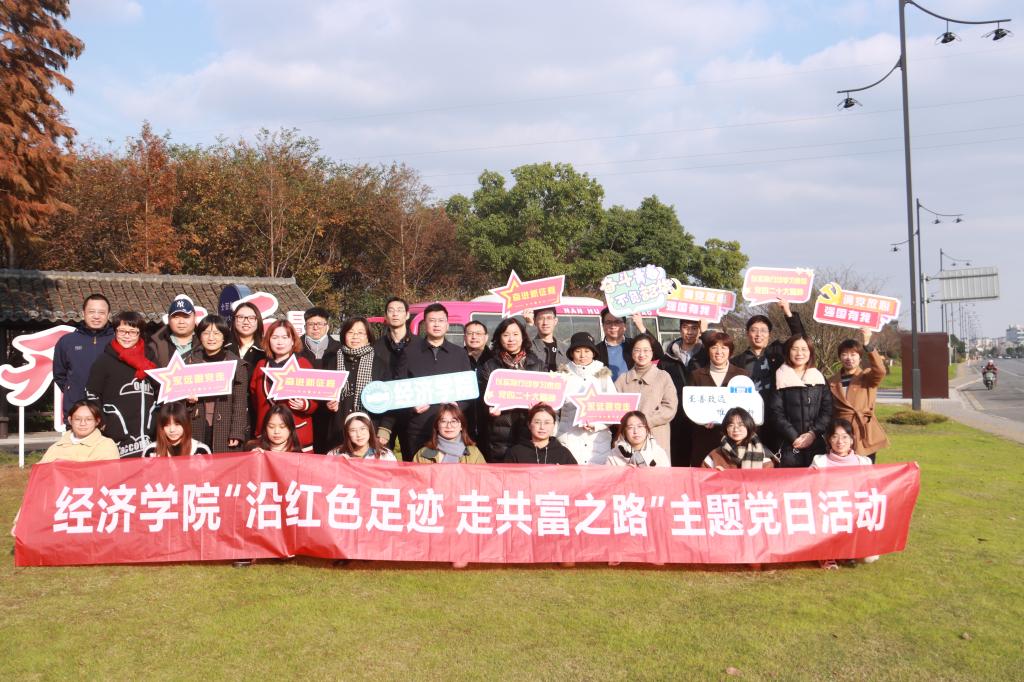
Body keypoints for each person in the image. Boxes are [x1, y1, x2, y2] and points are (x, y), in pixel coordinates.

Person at [380, 303, 474, 460]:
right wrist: (412, 407)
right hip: (418, 428)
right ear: (425, 324)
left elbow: (469, 392)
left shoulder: (459, 354)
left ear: (447, 324)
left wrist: (458, 406)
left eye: (441, 320)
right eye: (432, 320)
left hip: (450, 430)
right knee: (416, 471)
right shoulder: (409, 352)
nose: (436, 324)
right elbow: (399, 388)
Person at [731, 299, 805, 450]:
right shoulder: (736, 362)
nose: (759, 334)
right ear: (747, 333)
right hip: (748, 419)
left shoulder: (778, 353)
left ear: (769, 334)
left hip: (776, 417)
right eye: (754, 330)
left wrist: (787, 312)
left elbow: (800, 338)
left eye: (763, 331)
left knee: (775, 456)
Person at [85, 311, 158, 458]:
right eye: (122, 331)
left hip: (148, 435)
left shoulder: (150, 359)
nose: (127, 336)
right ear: (115, 331)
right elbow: (92, 394)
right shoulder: (104, 360)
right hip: (117, 436)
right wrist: (104, 422)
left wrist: (157, 417)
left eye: (132, 331)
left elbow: (160, 390)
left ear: (139, 333)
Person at [811, 419, 878, 568]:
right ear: (829, 440)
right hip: (828, 513)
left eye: (844, 437)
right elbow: (808, 488)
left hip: (854, 514)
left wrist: (909, 470)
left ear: (852, 440)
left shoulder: (864, 462)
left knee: (869, 558)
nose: (840, 441)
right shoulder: (820, 461)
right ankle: (826, 554)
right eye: (835, 436)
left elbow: (876, 487)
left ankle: (845, 551)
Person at [478, 317, 546, 462]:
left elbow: (547, 400)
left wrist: (539, 408)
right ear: (499, 338)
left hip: (530, 431)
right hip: (499, 435)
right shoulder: (490, 366)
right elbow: (482, 400)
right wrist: (489, 409)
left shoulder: (538, 365)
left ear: (523, 337)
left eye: (515, 334)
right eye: (506, 334)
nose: (511, 339)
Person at [250, 320, 318, 452]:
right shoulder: (261, 365)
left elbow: (317, 398)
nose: (279, 342)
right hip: (267, 434)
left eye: (285, 337)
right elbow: (254, 399)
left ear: (293, 341)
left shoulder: (303, 364)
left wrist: (305, 405)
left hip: (298, 433)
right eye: (275, 337)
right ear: (268, 340)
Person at [767, 334, 833, 468]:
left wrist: (813, 434)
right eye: (795, 349)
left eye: (804, 349)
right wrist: (794, 436)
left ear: (810, 352)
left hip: (816, 444)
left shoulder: (819, 378)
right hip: (787, 445)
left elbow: (827, 410)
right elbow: (775, 412)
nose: (799, 353)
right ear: (788, 351)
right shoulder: (779, 377)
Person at [185, 314, 248, 452]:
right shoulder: (189, 362)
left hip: (225, 427)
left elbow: (240, 403)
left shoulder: (237, 365)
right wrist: (188, 402)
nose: (211, 338)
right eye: (206, 333)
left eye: (216, 333)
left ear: (224, 337)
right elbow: (179, 400)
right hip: (196, 424)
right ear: (200, 336)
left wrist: (237, 432)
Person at [686, 332, 751, 467]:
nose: (719, 352)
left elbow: (749, 407)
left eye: (724, 347)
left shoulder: (742, 375)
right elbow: (688, 405)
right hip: (704, 438)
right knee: (703, 475)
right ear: (708, 350)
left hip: (735, 440)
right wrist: (700, 419)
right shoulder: (696, 376)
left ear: (730, 351)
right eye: (714, 347)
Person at [828, 328, 890, 463]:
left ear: (860, 357)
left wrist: (867, 344)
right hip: (842, 433)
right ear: (840, 357)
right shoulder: (832, 381)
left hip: (864, 431)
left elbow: (880, 371)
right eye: (844, 354)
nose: (849, 358)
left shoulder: (867, 376)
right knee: (843, 468)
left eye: (853, 354)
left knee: (866, 469)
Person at [325, 316, 388, 449]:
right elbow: (324, 393)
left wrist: (384, 429)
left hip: (369, 428)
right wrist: (328, 403)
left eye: (360, 333)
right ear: (344, 335)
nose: (355, 337)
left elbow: (388, 400)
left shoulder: (379, 364)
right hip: (338, 428)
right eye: (351, 332)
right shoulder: (333, 361)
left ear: (368, 336)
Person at [557, 332, 616, 464]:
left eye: (587, 351)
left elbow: (613, 410)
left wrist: (597, 425)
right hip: (569, 439)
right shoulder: (562, 375)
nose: (582, 355)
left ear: (593, 353)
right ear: (571, 353)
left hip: (598, 442)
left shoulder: (603, 375)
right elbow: (553, 410)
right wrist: (557, 432)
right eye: (578, 351)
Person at [613, 333, 677, 455]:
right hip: (629, 439)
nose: (641, 354)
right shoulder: (622, 379)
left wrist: (645, 421)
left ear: (652, 352)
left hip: (656, 436)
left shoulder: (663, 377)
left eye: (646, 350)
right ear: (632, 353)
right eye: (637, 350)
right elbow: (614, 409)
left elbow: (670, 407)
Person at [52, 294, 114, 419]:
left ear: (108, 315)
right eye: (91, 312)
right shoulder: (67, 341)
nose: (96, 316)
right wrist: (72, 390)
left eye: (101, 312)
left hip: (110, 408)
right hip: (76, 407)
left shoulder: (117, 340)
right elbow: (59, 374)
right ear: (83, 314)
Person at [373, 297, 414, 453]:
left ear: (407, 315)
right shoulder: (376, 346)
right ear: (385, 316)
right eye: (391, 311)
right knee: (382, 457)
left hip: (412, 411)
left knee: (413, 457)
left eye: (399, 310)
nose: (395, 314)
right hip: (383, 411)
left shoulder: (419, 345)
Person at [40, 400, 119, 463]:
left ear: (97, 421)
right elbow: (40, 472)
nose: (83, 423)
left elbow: (108, 474)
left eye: (89, 419)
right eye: (77, 419)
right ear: (70, 420)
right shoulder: (55, 448)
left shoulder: (106, 445)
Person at [230, 301, 266, 440]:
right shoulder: (224, 348)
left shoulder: (266, 351)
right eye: (240, 317)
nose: (246, 322)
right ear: (234, 320)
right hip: (228, 412)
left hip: (255, 413)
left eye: (251, 318)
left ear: (258, 321)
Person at [701, 407, 774, 470]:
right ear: (726, 429)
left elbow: (768, 479)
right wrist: (716, 474)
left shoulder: (763, 455)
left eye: (741, 425)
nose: (736, 429)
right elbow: (703, 477)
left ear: (748, 426)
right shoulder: (715, 455)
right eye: (731, 425)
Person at [504, 403, 577, 465]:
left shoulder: (563, 453)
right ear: (529, 425)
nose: (542, 427)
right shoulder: (515, 452)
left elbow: (575, 475)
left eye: (547, 423)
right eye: (537, 422)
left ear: (554, 425)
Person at [591, 411, 669, 467]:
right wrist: (625, 474)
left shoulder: (658, 453)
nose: (636, 431)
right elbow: (609, 482)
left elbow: (666, 481)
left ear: (647, 429)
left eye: (640, 426)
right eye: (630, 427)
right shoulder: (614, 455)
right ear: (624, 432)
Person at [413, 404, 486, 464]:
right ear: (437, 426)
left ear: (461, 426)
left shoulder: (474, 453)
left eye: (454, 421)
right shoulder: (423, 454)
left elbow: (482, 476)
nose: (449, 426)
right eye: (444, 421)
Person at [143, 401, 212, 457]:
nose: (172, 430)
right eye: (167, 425)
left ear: (186, 424)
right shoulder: (151, 451)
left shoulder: (200, 450)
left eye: (177, 424)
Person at [147, 295, 198, 367]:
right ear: (168, 319)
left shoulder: (207, 342)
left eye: (186, 317)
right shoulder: (154, 345)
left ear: (195, 318)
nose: (181, 322)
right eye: (176, 317)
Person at [595, 309, 645, 382]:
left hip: (632, 388)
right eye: (608, 322)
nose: (613, 326)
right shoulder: (595, 351)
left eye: (617, 322)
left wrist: (641, 327)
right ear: (603, 326)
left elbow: (658, 353)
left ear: (625, 326)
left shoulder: (634, 345)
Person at [463, 319, 491, 445]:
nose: (474, 337)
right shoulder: (456, 358)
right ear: (465, 337)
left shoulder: (495, 359)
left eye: (478, 333)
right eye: (470, 333)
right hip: (462, 422)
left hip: (489, 423)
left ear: (486, 337)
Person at [325, 412, 397, 461]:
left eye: (362, 429)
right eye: (353, 430)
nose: (359, 434)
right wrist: (338, 463)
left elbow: (392, 476)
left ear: (370, 430)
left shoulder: (385, 455)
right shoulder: (334, 454)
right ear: (347, 433)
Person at [524, 307, 568, 372]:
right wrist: (529, 324)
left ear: (555, 321)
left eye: (549, 318)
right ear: (535, 321)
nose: (545, 323)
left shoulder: (565, 349)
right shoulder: (528, 347)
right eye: (541, 318)